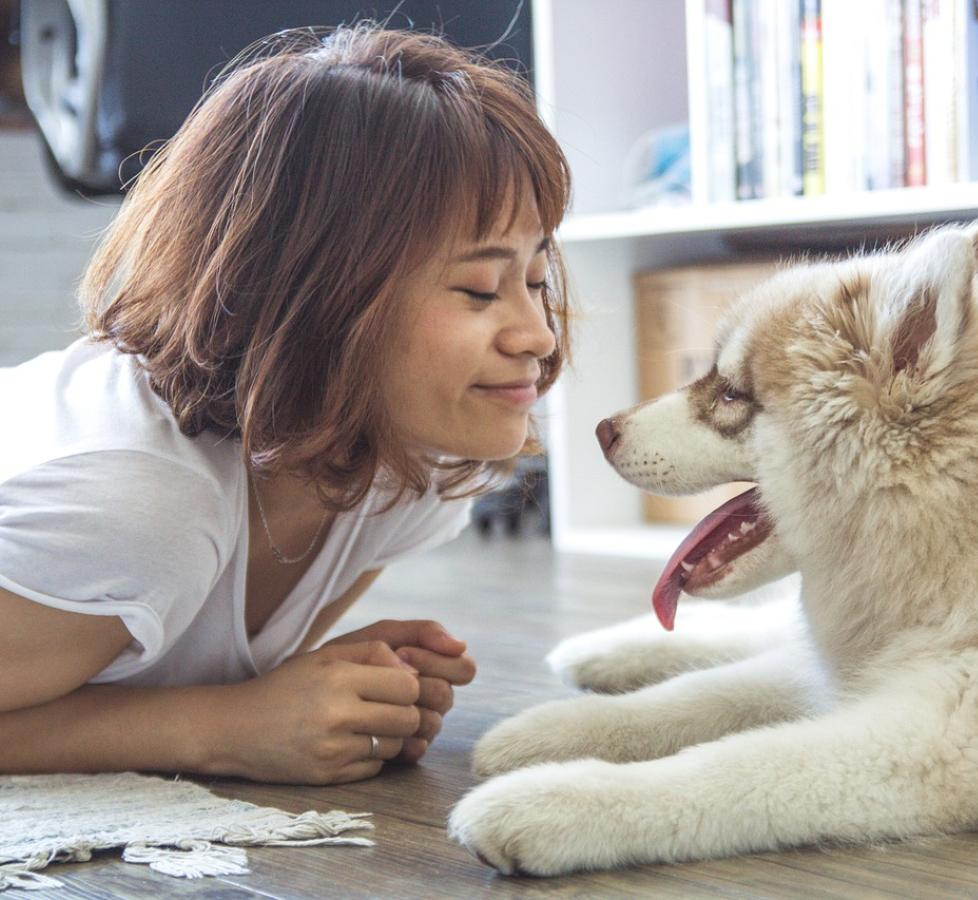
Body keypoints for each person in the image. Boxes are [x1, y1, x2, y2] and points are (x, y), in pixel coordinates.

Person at [0, 22, 570, 786]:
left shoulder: (412, 464)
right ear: (312, 297)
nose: (536, 333)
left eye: (535, 280)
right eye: (476, 289)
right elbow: (212, 714)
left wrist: (331, 693)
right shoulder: (137, 508)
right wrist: (220, 729)